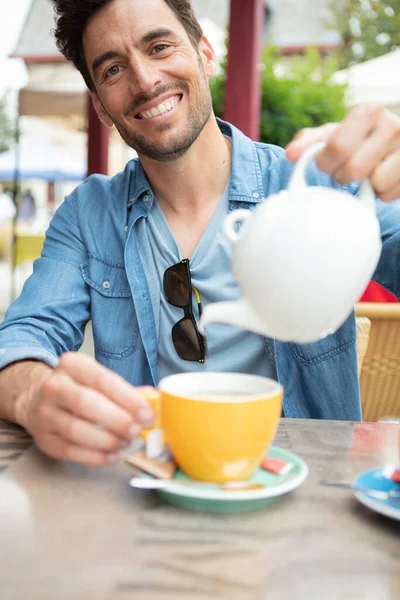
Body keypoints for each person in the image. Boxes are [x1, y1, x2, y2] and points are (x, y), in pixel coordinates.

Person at [0, 0, 399, 467]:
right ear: (100, 108)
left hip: (310, 491)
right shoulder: (90, 214)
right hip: (153, 491)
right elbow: (25, 335)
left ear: (206, 53)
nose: (145, 81)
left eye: (160, 46)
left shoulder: (319, 183)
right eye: (112, 70)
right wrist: (33, 395)